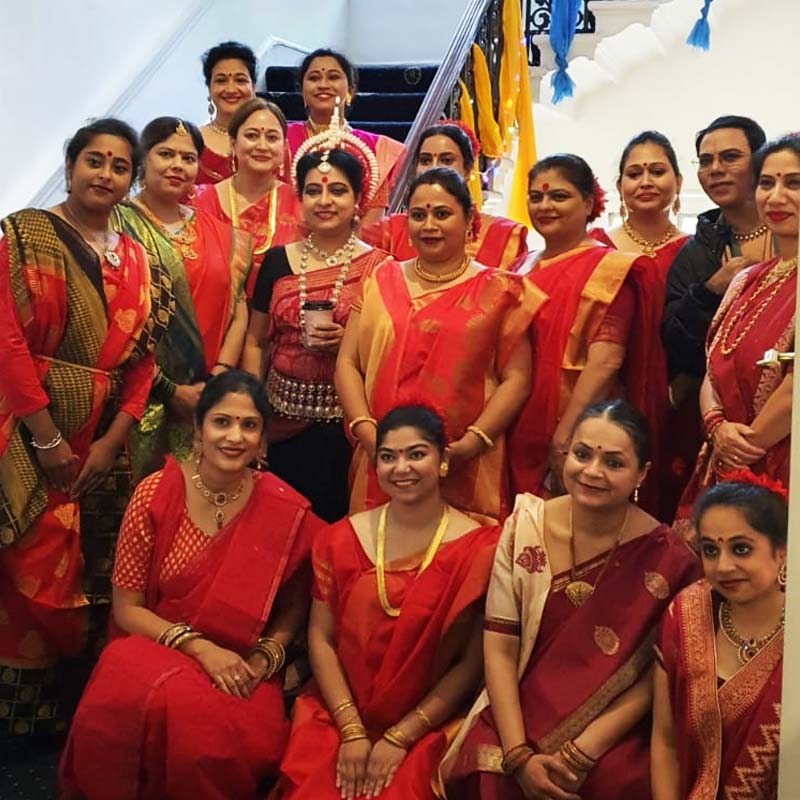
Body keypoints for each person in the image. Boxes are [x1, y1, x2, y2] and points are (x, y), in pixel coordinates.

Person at [60, 371, 323, 799]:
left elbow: (295, 605)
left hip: (239, 665)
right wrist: (199, 649)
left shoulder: (285, 508)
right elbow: (127, 609)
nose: (234, 436)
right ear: (198, 432)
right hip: (155, 646)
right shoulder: (155, 494)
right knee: (148, 702)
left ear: (263, 441)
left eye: (249, 425)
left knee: (215, 743)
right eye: (222, 422)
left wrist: (265, 657)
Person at [0, 119, 173, 737]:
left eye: (119, 165)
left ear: (132, 179)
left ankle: (78, 713)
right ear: (70, 165)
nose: (105, 174)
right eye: (93, 160)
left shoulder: (136, 256)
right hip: (25, 435)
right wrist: (46, 437)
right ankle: (19, 721)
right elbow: (8, 340)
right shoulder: (25, 234)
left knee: (96, 572)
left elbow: (145, 356)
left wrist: (112, 438)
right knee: (27, 568)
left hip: (103, 444)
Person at [443, 400, 700, 799]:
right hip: (519, 710)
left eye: (614, 463)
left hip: (610, 722)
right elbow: (500, 647)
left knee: (614, 778)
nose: (592, 472)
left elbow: (657, 676)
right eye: (582, 455)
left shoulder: (670, 559)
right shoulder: (525, 528)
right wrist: (518, 754)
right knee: (489, 770)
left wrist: (585, 749)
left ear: (642, 474)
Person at [274, 404, 501, 799]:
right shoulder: (338, 539)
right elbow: (321, 640)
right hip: (340, 713)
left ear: (444, 460)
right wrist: (351, 730)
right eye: (388, 457)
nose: (402, 468)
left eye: (416, 454)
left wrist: (401, 736)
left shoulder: (479, 548)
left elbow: (471, 662)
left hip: (430, 725)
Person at [336, 167, 544, 523]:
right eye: (418, 215)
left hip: (465, 464)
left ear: (470, 222)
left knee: (459, 563)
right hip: (382, 458)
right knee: (377, 558)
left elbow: (517, 378)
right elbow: (348, 364)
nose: (428, 225)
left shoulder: (499, 291)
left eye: (442, 214)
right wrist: (366, 432)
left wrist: (472, 443)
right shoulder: (379, 279)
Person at [243, 143, 388, 523]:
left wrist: (349, 345)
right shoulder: (276, 261)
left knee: (337, 529)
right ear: (300, 198)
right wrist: (252, 414)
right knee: (277, 529)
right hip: (279, 423)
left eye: (338, 190)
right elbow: (256, 341)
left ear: (358, 199)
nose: (325, 200)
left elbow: (392, 348)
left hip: (349, 428)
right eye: (313, 190)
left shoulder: (381, 267)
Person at [508, 155, 660, 512]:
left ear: (589, 203)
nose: (545, 206)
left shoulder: (608, 269)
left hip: (577, 423)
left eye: (559, 196)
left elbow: (606, 360)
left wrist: (568, 432)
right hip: (516, 419)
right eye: (536, 197)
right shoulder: (520, 266)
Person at [673, 134, 798, 541]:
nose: (776, 197)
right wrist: (717, 429)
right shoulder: (746, 280)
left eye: (793, 183)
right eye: (766, 183)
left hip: (783, 461)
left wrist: (750, 446)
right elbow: (712, 362)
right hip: (724, 458)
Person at [115, 116, 252, 479]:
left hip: (204, 396)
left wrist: (216, 379)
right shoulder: (114, 226)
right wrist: (168, 388)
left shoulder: (224, 235)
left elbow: (239, 313)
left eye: (188, 158)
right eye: (165, 154)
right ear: (143, 161)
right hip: (127, 399)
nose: (178, 165)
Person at [652, 474, 786, 800]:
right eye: (710, 550)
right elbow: (666, 742)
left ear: (782, 553)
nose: (723, 566)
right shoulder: (684, 614)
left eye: (741, 549)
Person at [594, 131, 694, 521]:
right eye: (634, 173)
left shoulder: (696, 251)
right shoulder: (597, 248)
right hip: (606, 399)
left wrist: (675, 392)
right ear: (619, 187)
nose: (646, 181)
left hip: (681, 404)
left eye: (657, 171)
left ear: (678, 182)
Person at [662, 116, 771, 386]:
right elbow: (676, 345)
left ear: (761, 162)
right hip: (723, 405)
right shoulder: (696, 251)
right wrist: (710, 291)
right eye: (705, 161)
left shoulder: (791, 233)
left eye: (730, 156)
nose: (715, 169)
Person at [360, 122, 528, 269]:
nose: (434, 167)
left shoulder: (504, 236)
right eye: (425, 160)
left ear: (468, 170)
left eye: (446, 160)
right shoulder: (389, 232)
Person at [279, 48, 406, 225]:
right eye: (314, 78)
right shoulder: (280, 139)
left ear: (351, 91)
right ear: (302, 91)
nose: (323, 84)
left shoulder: (377, 149)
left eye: (333, 77)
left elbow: (372, 226)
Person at [194, 98, 301, 289]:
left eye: (272, 137)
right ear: (233, 143)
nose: (262, 146)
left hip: (283, 315)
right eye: (252, 136)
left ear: (284, 147)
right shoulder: (202, 202)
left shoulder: (300, 204)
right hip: (217, 315)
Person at [197, 41, 257, 185]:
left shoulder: (272, 141)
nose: (230, 89)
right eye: (221, 81)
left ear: (253, 87)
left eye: (240, 80)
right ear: (209, 89)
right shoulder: (193, 142)